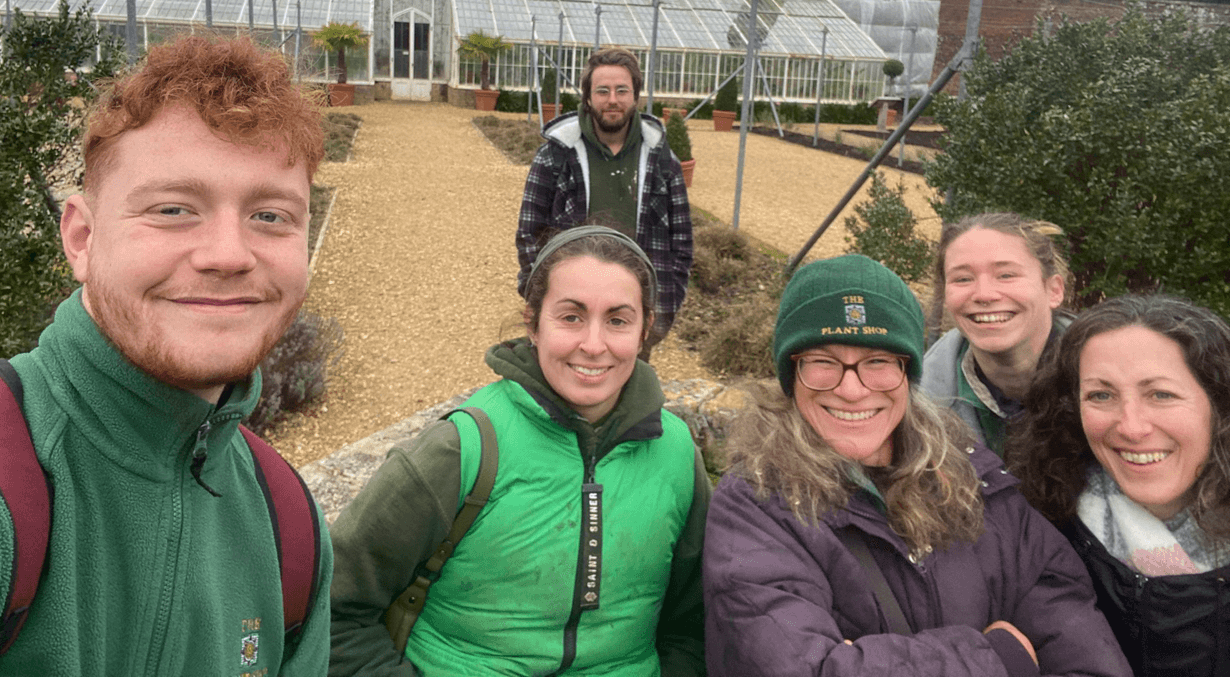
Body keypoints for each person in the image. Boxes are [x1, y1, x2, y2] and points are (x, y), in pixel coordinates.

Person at [0, 34, 333, 676]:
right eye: (174, 209)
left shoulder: (288, 524)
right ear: (82, 237)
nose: (228, 254)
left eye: (270, 216)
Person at [704, 254, 1130, 677]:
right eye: (822, 362)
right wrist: (1000, 657)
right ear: (790, 374)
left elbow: (1084, 653)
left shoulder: (974, 483)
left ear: (908, 372)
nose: (852, 389)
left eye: (878, 362)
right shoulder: (755, 506)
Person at [331, 225, 709, 677]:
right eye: (571, 317)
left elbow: (693, 621)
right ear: (532, 322)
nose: (593, 344)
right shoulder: (462, 449)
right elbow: (334, 612)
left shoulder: (676, 452)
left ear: (645, 329)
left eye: (617, 320)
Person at [1009, 294, 1230, 677]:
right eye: (1101, 395)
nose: (1131, 426)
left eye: (1161, 394)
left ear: (1218, 405)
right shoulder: (1034, 537)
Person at [515, 48, 693, 344]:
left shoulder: (662, 162)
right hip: (570, 312)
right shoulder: (555, 157)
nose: (613, 99)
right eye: (602, 91)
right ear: (587, 98)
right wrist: (541, 301)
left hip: (632, 314)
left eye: (622, 90)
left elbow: (682, 243)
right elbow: (530, 234)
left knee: (629, 386)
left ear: (636, 96)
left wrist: (662, 310)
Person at [921, 212, 1072, 454]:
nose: (984, 294)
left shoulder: (1116, 389)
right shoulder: (918, 413)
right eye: (963, 279)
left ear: (1053, 290)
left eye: (1006, 275)